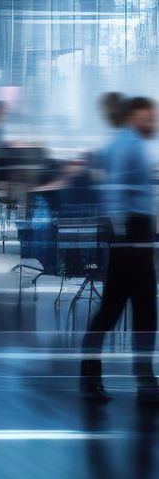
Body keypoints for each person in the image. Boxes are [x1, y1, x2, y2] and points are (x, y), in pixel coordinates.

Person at [80, 96, 159, 403]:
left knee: (114, 311)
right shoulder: (130, 145)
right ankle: (144, 380)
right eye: (147, 117)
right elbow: (114, 194)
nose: (152, 122)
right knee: (140, 313)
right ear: (132, 115)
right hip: (132, 238)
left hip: (128, 237)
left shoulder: (121, 144)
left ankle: (94, 378)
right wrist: (127, 237)